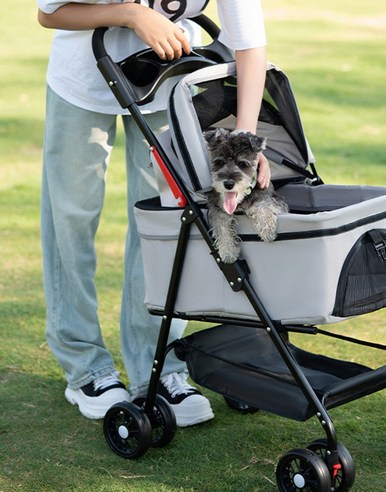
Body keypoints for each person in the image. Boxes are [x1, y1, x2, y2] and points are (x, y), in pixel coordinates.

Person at [36, 0, 271, 426]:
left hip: (168, 86)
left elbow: (249, 45)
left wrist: (245, 143)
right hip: (82, 83)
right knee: (72, 218)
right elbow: (50, 12)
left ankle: (157, 367)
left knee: (164, 224)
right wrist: (130, 14)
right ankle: (85, 367)